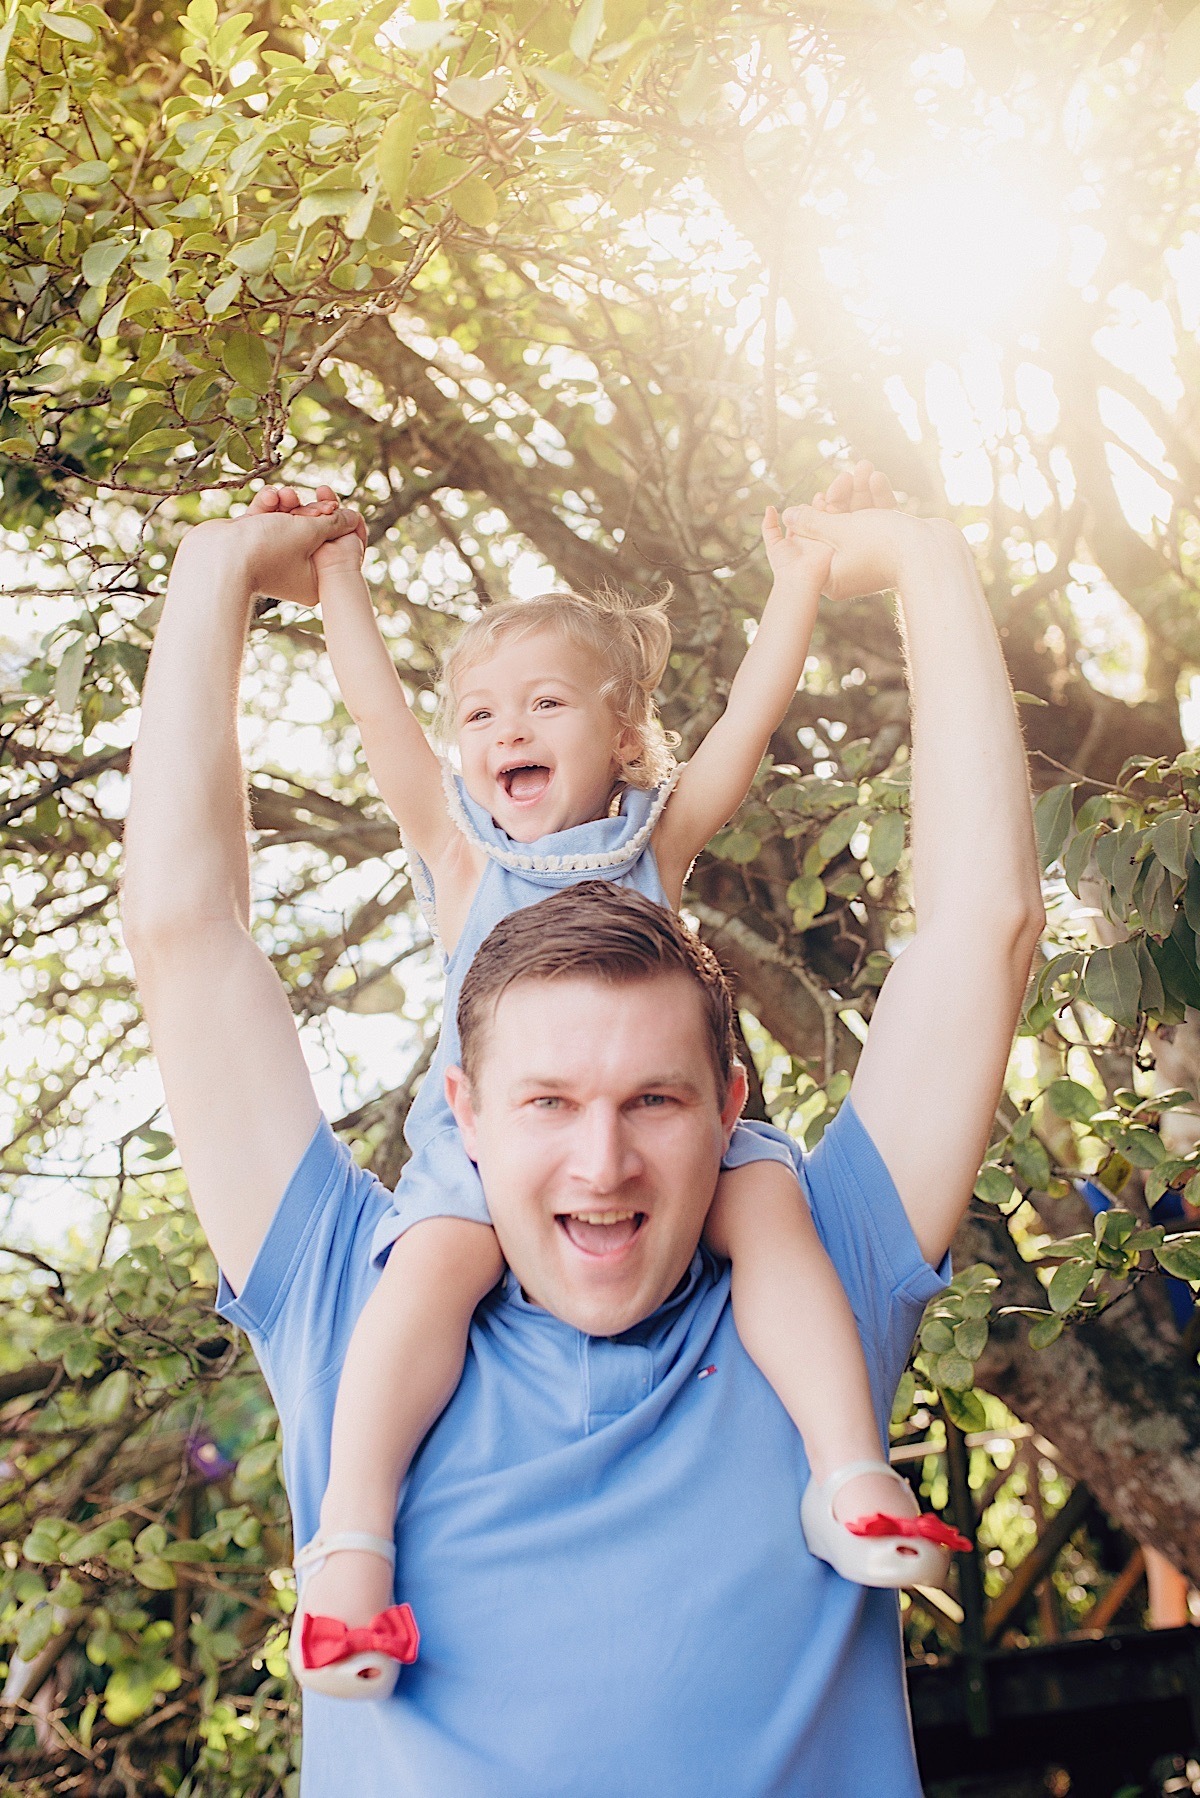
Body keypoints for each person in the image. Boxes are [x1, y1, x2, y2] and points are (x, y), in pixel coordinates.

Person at [121, 476, 1044, 1794]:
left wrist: (926, 561)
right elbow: (181, 932)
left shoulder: (809, 1293)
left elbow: (984, 929)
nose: (602, 1162)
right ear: (468, 1114)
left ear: (730, 1104)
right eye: (548, 1101)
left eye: (654, 1100)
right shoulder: (355, 1300)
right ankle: (350, 1548)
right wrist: (218, 572)